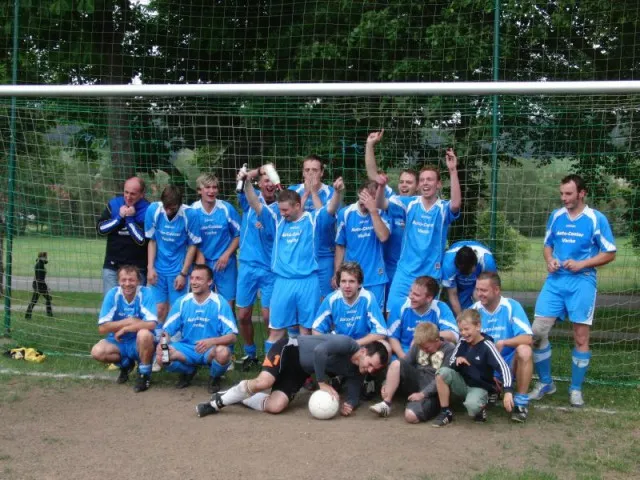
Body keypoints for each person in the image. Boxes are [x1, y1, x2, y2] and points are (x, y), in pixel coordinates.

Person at [529, 174, 616, 408]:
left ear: (582, 193)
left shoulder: (596, 219)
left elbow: (610, 252)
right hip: (555, 281)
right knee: (536, 332)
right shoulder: (556, 216)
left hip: (582, 282)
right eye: (562, 194)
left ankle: (575, 389)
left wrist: (582, 264)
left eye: (568, 194)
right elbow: (547, 245)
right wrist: (549, 260)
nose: (564, 198)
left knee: (580, 337)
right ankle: (546, 383)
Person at [242, 164, 344, 355]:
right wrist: (247, 181)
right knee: (276, 331)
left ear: (298, 206)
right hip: (283, 282)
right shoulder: (277, 220)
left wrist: (338, 192)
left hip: (308, 282)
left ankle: (306, 369)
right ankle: (270, 369)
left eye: (285, 210)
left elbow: (330, 208)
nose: (282, 213)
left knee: (307, 331)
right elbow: (255, 203)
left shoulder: (313, 220)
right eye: (280, 210)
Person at [195, 335, 389, 417]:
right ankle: (215, 404)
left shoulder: (358, 371)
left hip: (300, 370)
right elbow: (320, 351)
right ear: (364, 351)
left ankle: (237, 394)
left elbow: (354, 389)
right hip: (289, 349)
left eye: (375, 370)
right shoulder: (347, 344)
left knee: (275, 406)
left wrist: (350, 404)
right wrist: (321, 382)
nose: (370, 370)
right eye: (371, 364)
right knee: (264, 382)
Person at [378, 150, 461, 314]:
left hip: (430, 274)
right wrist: (381, 186)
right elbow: (380, 204)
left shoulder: (442, 208)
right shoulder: (409, 204)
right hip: (405, 272)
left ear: (438, 184)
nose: (425, 183)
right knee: (392, 312)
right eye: (422, 180)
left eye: (430, 179)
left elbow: (456, 204)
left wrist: (452, 170)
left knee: (425, 317)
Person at [156, 264, 238, 393]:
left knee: (223, 353)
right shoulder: (182, 301)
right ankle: (188, 371)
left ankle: (214, 377)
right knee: (162, 356)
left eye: (199, 278)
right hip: (187, 348)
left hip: (210, 349)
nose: (194, 282)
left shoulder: (220, 302)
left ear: (209, 282)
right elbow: (166, 331)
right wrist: (163, 344)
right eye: (192, 278)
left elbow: (232, 337)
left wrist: (211, 341)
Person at [432, 309, 513, 427]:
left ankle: (483, 404)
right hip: (462, 382)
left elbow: (504, 367)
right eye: (461, 330)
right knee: (441, 372)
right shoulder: (462, 342)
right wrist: (457, 361)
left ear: (478, 326)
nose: (463, 333)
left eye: (467, 329)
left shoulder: (487, 345)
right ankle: (445, 412)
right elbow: (451, 362)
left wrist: (508, 391)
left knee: (472, 407)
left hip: (479, 386)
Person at [472, 272, 533, 422]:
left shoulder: (511, 306)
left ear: (496, 290)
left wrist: (504, 342)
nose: (479, 294)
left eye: (484, 290)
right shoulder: (473, 311)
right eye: (477, 289)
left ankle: (520, 404)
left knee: (525, 350)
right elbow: (466, 346)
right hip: (486, 368)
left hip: (509, 364)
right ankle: (490, 388)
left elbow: (528, 338)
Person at [235, 166, 278, 370]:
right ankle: (250, 353)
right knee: (243, 315)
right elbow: (242, 180)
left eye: (271, 180)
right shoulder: (249, 200)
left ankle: (271, 359)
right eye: (265, 180)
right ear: (259, 184)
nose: (269, 184)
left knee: (270, 317)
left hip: (270, 269)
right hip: (247, 265)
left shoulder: (281, 208)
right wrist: (259, 169)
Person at [364, 130, 418, 291]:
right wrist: (370, 145)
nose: (404, 185)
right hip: (389, 268)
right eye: (402, 182)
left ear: (417, 187)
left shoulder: (422, 206)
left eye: (409, 182)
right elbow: (373, 175)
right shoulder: (391, 199)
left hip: (414, 269)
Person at [90, 265, 157, 392]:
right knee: (97, 352)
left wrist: (126, 329)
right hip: (118, 341)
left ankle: (144, 374)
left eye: (131, 280)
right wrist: (129, 321)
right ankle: (126, 364)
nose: (127, 284)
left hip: (138, 341)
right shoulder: (113, 294)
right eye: (123, 280)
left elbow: (151, 324)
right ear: (118, 281)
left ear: (138, 281)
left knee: (144, 334)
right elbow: (102, 328)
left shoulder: (146, 293)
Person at [369, 322, 455, 422]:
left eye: (426, 348)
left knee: (410, 416)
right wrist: (386, 383)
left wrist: (423, 394)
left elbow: (443, 378)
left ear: (437, 340)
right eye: (421, 348)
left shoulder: (449, 349)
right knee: (396, 364)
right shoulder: (419, 345)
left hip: (434, 391)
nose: (424, 350)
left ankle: (423, 407)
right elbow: (404, 363)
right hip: (416, 381)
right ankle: (386, 404)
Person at [145, 185, 201, 323]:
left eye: (173, 208)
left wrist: (183, 273)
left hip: (178, 270)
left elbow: (192, 246)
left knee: (175, 312)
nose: (169, 211)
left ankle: (173, 337)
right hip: (158, 269)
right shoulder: (153, 210)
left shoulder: (190, 214)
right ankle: (157, 336)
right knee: (158, 310)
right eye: (166, 207)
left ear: (180, 204)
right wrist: (150, 268)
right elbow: (152, 241)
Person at [334, 180, 391, 309]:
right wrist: (337, 273)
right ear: (359, 193)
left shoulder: (381, 212)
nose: (367, 200)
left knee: (375, 315)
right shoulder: (345, 213)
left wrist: (373, 211)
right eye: (365, 195)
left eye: (372, 197)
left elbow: (383, 237)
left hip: (375, 277)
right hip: (351, 278)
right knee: (351, 314)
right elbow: (340, 246)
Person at [192, 173, 241, 310]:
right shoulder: (192, 211)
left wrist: (226, 255)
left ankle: (228, 325)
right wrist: (198, 254)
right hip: (202, 264)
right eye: (207, 187)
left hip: (225, 264)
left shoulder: (226, 208)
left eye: (214, 187)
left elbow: (239, 235)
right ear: (199, 190)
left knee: (227, 306)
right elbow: (188, 238)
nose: (211, 191)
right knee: (202, 304)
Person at [97, 177, 150, 295]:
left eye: (133, 194)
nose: (128, 196)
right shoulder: (114, 204)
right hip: (112, 267)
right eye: (126, 192)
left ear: (142, 194)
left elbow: (142, 240)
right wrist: (119, 217)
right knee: (112, 303)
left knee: (134, 305)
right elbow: (100, 230)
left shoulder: (148, 210)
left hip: (137, 269)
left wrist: (130, 219)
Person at [312, 262, 387, 345]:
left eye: (351, 281)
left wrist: (354, 345)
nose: (347, 286)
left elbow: (381, 332)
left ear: (359, 284)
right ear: (339, 284)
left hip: (362, 344)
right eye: (343, 281)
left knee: (385, 345)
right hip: (339, 345)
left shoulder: (368, 297)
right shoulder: (331, 299)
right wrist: (331, 345)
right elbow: (316, 329)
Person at [387, 276, 459, 358]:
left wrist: (427, 337)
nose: (410, 296)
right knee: (395, 364)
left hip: (432, 354)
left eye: (416, 295)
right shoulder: (401, 305)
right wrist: (404, 359)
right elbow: (391, 336)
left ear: (429, 298)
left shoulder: (440, 308)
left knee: (450, 346)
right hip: (404, 352)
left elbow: (453, 335)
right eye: (411, 291)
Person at [442, 240, 497, 316]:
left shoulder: (487, 262)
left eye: (470, 272)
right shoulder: (448, 265)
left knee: (482, 298)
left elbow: (491, 290)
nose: (467, 276)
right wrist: (461, 318)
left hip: (479, 279)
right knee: (457, 312)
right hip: (458, 285)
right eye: (464, 273)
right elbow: (452, 294)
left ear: (475, 264)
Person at [25, 251, 53, 320]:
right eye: (45, 257)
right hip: (38, 285)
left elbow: (41, 277)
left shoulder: (40, 264)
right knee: (34, 300)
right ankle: (27, 315)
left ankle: (49, 314)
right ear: (42, 257)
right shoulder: (39, 265)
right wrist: (46, 287)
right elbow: (40, 278)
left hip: (40, 285)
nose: (46, 258)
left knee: (48, 298)